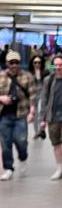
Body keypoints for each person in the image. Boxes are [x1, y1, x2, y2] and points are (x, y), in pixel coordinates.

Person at [0, 50, 39, 181]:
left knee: (21, 141)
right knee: (6, 144)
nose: (14, 65)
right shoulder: (1, 76)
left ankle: (23, 158)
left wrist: (32, 112)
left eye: (16, 62)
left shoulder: (27, 76)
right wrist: (2, 98)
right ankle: (8, 168)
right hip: (4, 115)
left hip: (21, 114)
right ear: (7, 63)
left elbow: (33, 95)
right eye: (11, 63)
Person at [29, 54, 48, 139]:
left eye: (39, 62)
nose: (37, 64)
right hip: (33, 93)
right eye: (35, 62)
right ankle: (36, 132)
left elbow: (55, 66)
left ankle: (41, 129)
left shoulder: (45, 70)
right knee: (35, 112)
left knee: (41, 110)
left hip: (43, 92)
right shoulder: (29, 72)